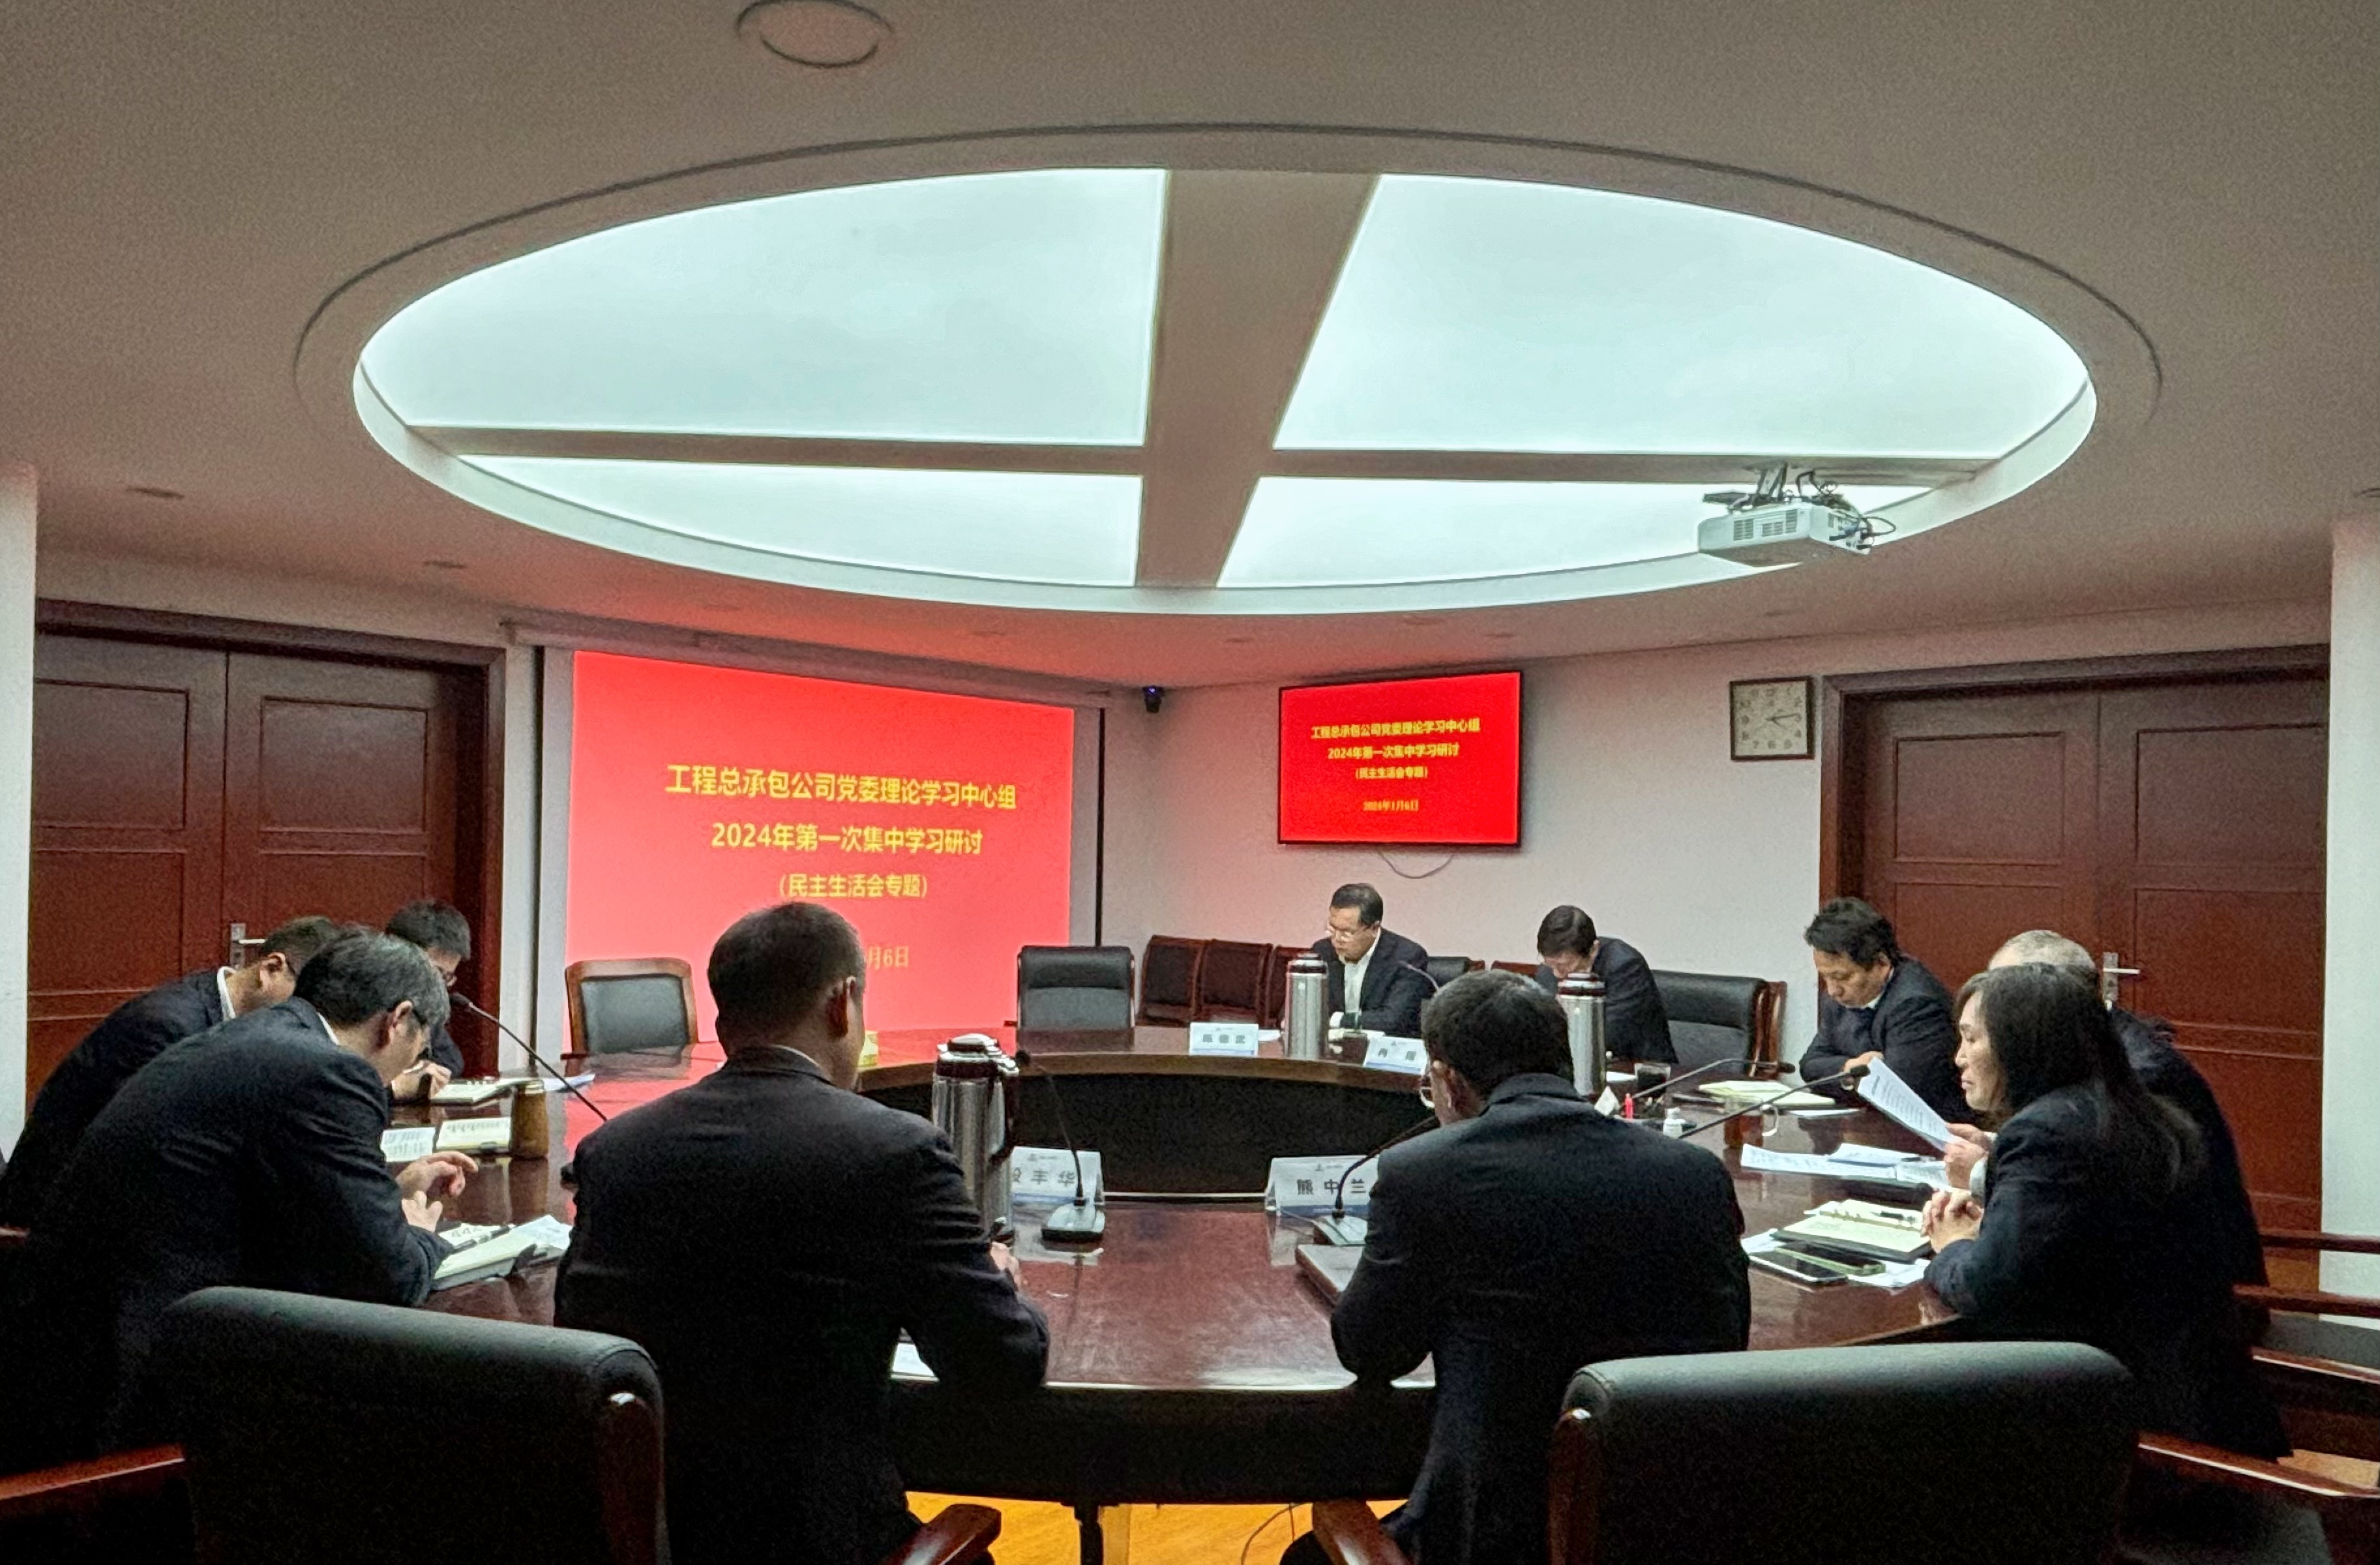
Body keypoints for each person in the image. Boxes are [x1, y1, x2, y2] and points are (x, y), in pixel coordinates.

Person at [556, 902, 1048, 1565]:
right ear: (842, 1003)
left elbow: (580, 1335)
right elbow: (1002, 1365)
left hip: (653, 1539)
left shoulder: (615, 1150)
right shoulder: (895, 1153)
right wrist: (996, 1279)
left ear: (723, 1021)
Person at [1309, 970, 1749, 1565]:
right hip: (1672, 1526)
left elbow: (1371, 1350)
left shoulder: (1425, 1172)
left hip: (1492, 1538)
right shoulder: (1694, 1174)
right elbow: (1727, 1343)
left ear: (1447, 1081)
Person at [1, 932, 473, 1467]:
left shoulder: (258, 1035)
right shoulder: (329, 1071)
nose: (413, 1063)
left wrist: (385, 1195)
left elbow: (277, 1189)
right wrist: (419, 1233)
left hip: (69, 1337)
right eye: (421, 1046)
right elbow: (389, 1276)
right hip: (133, 1381)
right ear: (397, 1020)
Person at [1922, 963, 2284, 1457]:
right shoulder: (2129, 1109)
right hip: (2196, 1393)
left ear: (2022, 1044)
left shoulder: (2047, 1133)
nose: (1958, 1058)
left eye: (1971, 1039)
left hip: (2123, 1426)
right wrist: (2000, 1230)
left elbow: (1986, 1291)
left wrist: (1953, 1246)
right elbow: (2083, 1243)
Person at [1939, 931, 2265, 1286]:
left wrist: (1956, 1236)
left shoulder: (2143, 1074)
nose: (1960, 1057)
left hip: (2176, 1295)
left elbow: (2085, 1179)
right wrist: (1999, 1151)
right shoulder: (2091, 1071)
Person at [0, 914, 345, 1230]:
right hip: (61, 1218)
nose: (309, 1021)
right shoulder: (169, 1027)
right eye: (306, 1003)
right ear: (271, 968)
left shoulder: (224, 1012)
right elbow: (140, 1157)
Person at [1798, 897, 1963, 1122]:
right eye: (1825, 977)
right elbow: (1810, 1066)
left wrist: (1848, 1077)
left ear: (1882, 964)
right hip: (1861, 1124)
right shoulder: (1840, 998)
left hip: (1924, 1131)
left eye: (1842, 977)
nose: (1833, 990)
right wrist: (1849, 1068)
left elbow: (1899, 1093)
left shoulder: (1917, 1004)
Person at [1529, 904, 1673, 1064]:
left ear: (1593, 950)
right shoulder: (1547, 972)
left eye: (1566, 965)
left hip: (1638, 1067)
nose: (1557, 973)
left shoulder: (1626, 966)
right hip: (1570, 1066)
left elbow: (1609, 1036)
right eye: (1550, 964)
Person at [1308, 882, 1433, 1037]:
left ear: (1374, 928)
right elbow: (1298, 1007)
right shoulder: (1322, 952)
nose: (1337, 939)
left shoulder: (1407, 957)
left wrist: (1335, 1020)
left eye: (1347, 932)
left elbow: (1392, 1020)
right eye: (1333, 929)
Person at [385, 899, 471, 1088]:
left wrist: (420, 1068)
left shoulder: (424, 1006)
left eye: (446, 977)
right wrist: (398, 1085)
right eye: (435, 973)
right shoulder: (365, 998)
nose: (438, 987)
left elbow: (451, 1062)